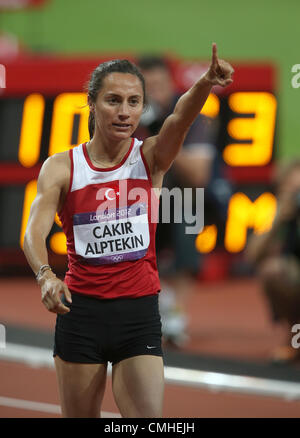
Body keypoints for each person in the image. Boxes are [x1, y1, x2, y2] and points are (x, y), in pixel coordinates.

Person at [22, 44, 234, 418]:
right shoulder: (62, 168)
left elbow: (181, 119)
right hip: (81, 316)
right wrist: (45, 276)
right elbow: (32, 233)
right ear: (92, 103)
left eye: (134, 102)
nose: (124, 112)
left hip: (138, 315)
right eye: (113, 100)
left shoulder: (150, 157)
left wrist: (205, 83)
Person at [135, 56, 231, 347]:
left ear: (171, 85)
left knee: (184, 202)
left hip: (190, 202)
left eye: (159, 85)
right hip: (140, 201)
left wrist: (163, 134)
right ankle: (145, 305)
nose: (154, 92)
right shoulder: (125, 120)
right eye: (147, 87)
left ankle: (175, 311)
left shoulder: (194, 119)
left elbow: (198, 175)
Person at [246, 161, 300, 363]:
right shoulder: (281, 215)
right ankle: (295, 339)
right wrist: (279, 217)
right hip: (295, 279)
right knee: (272, 271)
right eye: (292, 191)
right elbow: (252, 255)